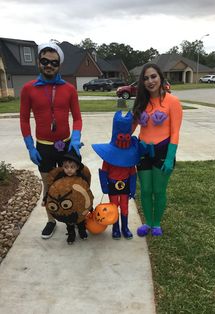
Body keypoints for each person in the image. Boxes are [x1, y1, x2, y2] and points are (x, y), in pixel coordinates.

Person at [20, 42, 82, 239]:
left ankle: (71, 216)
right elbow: (23, 119)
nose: (49, 65)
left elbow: (78, 117)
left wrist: (76, 138)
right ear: (39, 63)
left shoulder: (69, 89)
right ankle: (50, 220)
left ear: (59, 65)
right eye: (45, 61)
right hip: (44, 147)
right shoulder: (28, 89)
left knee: (68, 183)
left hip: (66, 145)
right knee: (48, 186)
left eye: (53, 63)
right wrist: (30, 146)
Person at [132, 63, 183, 236]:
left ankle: (156, 224)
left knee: (159, 190)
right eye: (145, 78)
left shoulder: (172, 101)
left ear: (160, 77)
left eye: (153, 76)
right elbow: (130, 129)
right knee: (146, 190)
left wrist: (170, 157)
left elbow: (175, 132)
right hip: (143, 151)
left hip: (163, 152)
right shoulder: (141, 102)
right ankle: (147, 223)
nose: (150, 81)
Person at [92, 111, 140, 240]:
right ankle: (115, 228)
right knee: (113, 207)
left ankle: (125, 227)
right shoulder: (109, 156)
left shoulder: (129, 156)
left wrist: (132, 188)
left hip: (124, 185)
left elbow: (132, 172)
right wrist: (105, 186)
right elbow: (104, 171)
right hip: (113, 185)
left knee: (124, 206)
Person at [45, 149, 92, 244]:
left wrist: (89, 204)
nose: (69, 170)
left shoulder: (81, 176)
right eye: (66, 167)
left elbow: (87, 190)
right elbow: (51, 191)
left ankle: (82, 231)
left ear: (77, 167)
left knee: (80, 219)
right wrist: (45, 199)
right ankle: (71, 233)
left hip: (79, 205)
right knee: (69, 221)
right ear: (62, 167)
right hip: (66, 208)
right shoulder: (59, 177)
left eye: (72, 167)